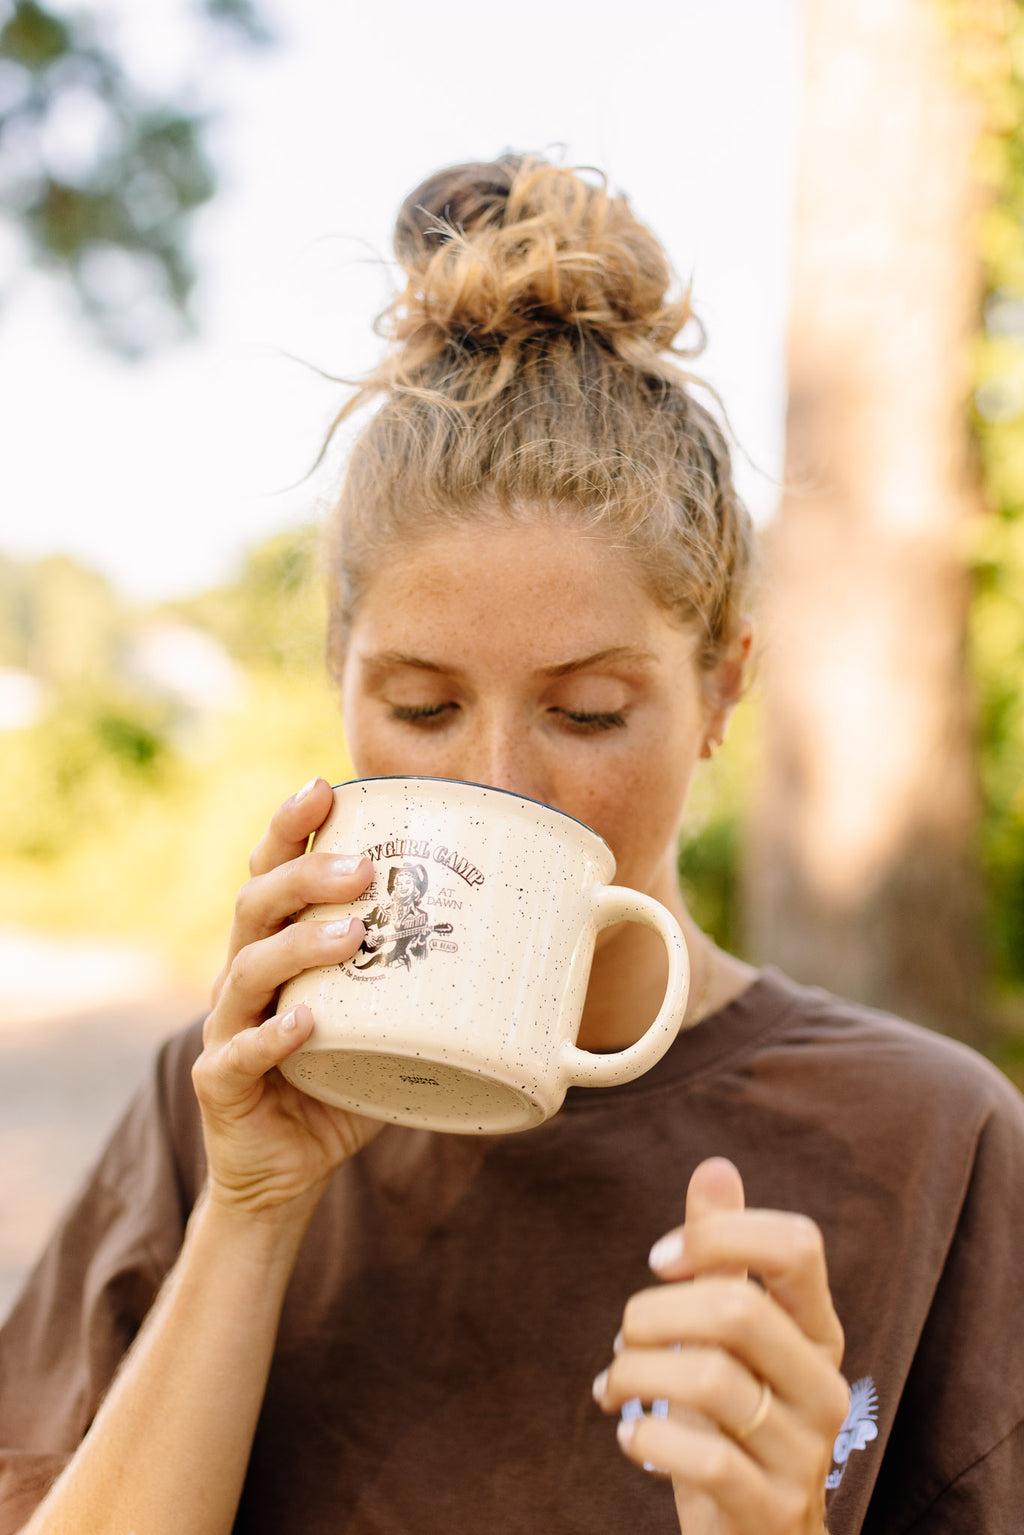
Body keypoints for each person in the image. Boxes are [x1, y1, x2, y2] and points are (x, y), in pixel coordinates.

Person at [2, 154, 1023, 1535]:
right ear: (338, 676)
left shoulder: (933, 1139)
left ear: (724, 687)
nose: (500, 787)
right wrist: (249, 1210)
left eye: (589, 710)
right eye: (420, 705)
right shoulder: (218, 1105)